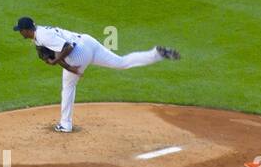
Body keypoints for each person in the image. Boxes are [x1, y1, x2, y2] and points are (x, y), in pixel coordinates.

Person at [13, 17, 179, 134]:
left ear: (27, 30)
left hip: (77, 52)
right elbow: (56, 53)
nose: (20, 33)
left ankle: (65, 125)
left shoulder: (43, 36)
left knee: (68, 86)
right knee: (121, 63)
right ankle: (156, 54)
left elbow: (67, 48)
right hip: (88, 42)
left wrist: (60, 63)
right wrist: (68, 67)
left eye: (20, 30)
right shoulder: (40, 34)